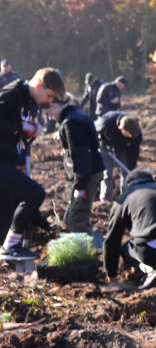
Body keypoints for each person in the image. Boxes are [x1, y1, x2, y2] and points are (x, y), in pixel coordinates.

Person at [0, 68, 66, 261]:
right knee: (34, 193)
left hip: (8, 162)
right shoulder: (12, 93)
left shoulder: (31, 101)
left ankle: (8, 253)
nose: (49, 101)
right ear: (38, 85)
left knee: (6, 217)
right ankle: (11, 246)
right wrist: (21, 127)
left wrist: (29, 133)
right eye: (49, 95)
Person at [47, 98, 105, 234]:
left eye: (48, 112)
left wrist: (81, 186)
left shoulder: (71, 122)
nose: (49, 117)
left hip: (87, 175)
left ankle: (85, 253)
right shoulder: (77, 115)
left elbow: (81, 155)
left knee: (77, 220)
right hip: (88, 173)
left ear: (54, 104)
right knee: (70, 218)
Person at [95, 111, 142, 201]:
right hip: (106, 147)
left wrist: (131, 167)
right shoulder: (106, 122)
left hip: (123, 148)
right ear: (121, 128)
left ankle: (125, 197)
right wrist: (103, 142)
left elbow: (134, 152)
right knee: (107, 173)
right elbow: (93, 130)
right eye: (128, 135)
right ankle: (105, 199)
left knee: (126, 173)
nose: (130, 137)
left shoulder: (136, 132)